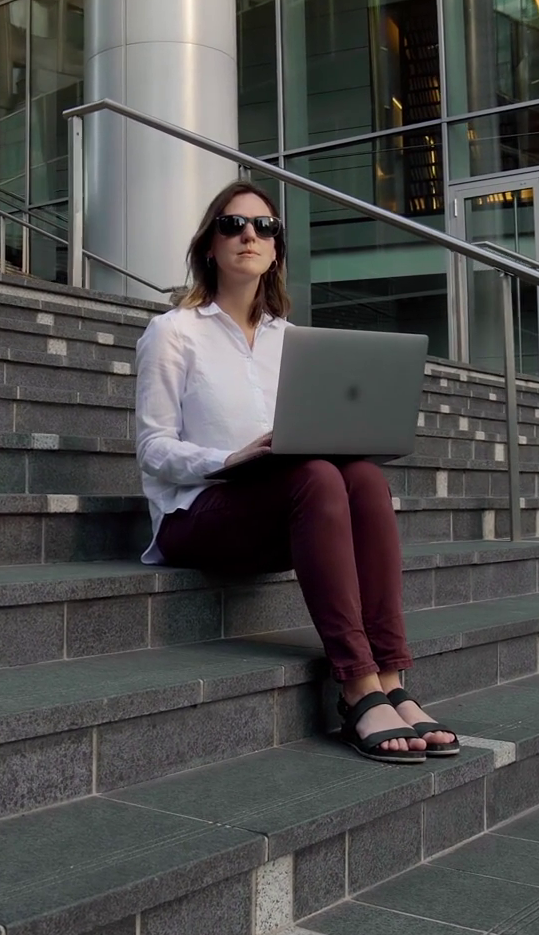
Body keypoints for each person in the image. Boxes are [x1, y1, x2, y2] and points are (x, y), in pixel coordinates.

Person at [132, 180, 457, 764]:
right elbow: (153, 448)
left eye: (264, 227)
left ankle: (391, 678)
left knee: (362, 477)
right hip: (196, 513)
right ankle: (356, 685)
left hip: (283, 504)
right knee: (317, 478)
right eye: (232, 225)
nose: (249, 235)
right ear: (210, 245)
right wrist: (227, 460)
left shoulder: (292, 341)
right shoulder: (174, 332)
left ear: (277, 248)